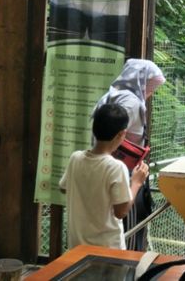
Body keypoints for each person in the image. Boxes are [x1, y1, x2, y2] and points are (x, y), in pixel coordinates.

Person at [93, 58, 165, 251]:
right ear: (140, 80)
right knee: (130, 229)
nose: (151, 91)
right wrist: (136, 181)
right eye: (151, 85)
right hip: (125, 171)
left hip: (105, 168)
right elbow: (114, 135)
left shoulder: (111, 94)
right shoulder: (131, 103)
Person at [60, 103, 149, 249]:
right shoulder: (116, 167)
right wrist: (136, 183)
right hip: (108, 250)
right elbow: (121, 212)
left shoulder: (75, 158)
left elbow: (64, 188)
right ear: (122, 134)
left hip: (77, 247)